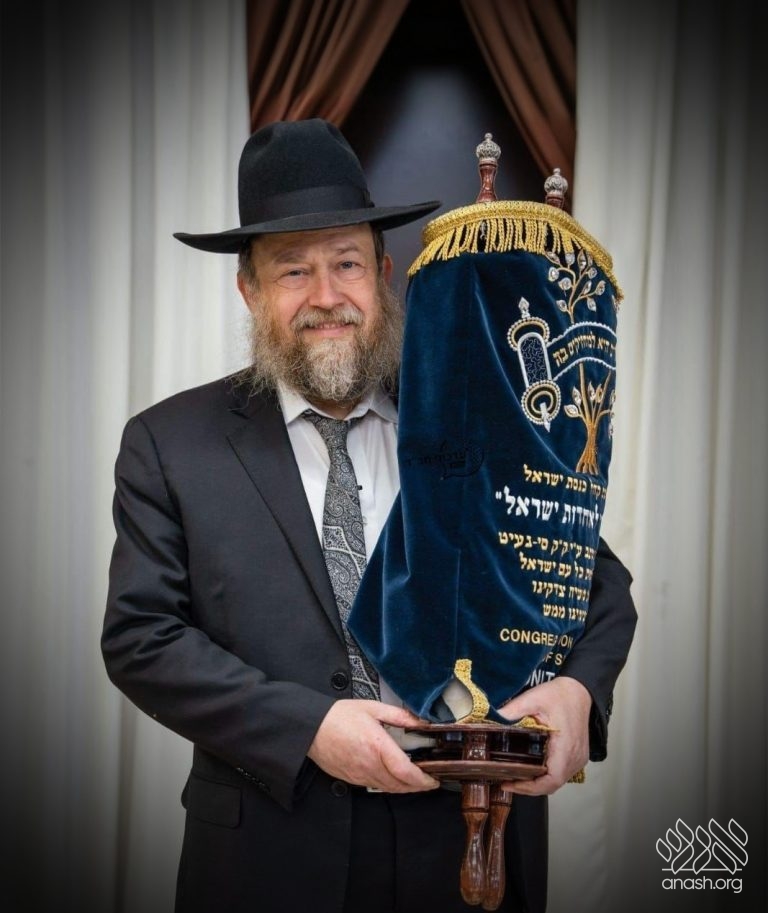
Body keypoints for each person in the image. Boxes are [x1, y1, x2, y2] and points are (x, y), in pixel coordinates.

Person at [102, 118, 636, 913]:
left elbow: (596, 583)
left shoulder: (473, 414)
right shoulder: (169, 444)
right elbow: (142, 637)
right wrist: (309, 726)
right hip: (269, 858)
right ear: (250, 290)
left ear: (383, 273)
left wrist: (579, 692)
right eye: (293, 270)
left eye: (346, 262)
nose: (326, 297)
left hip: (471, 843)